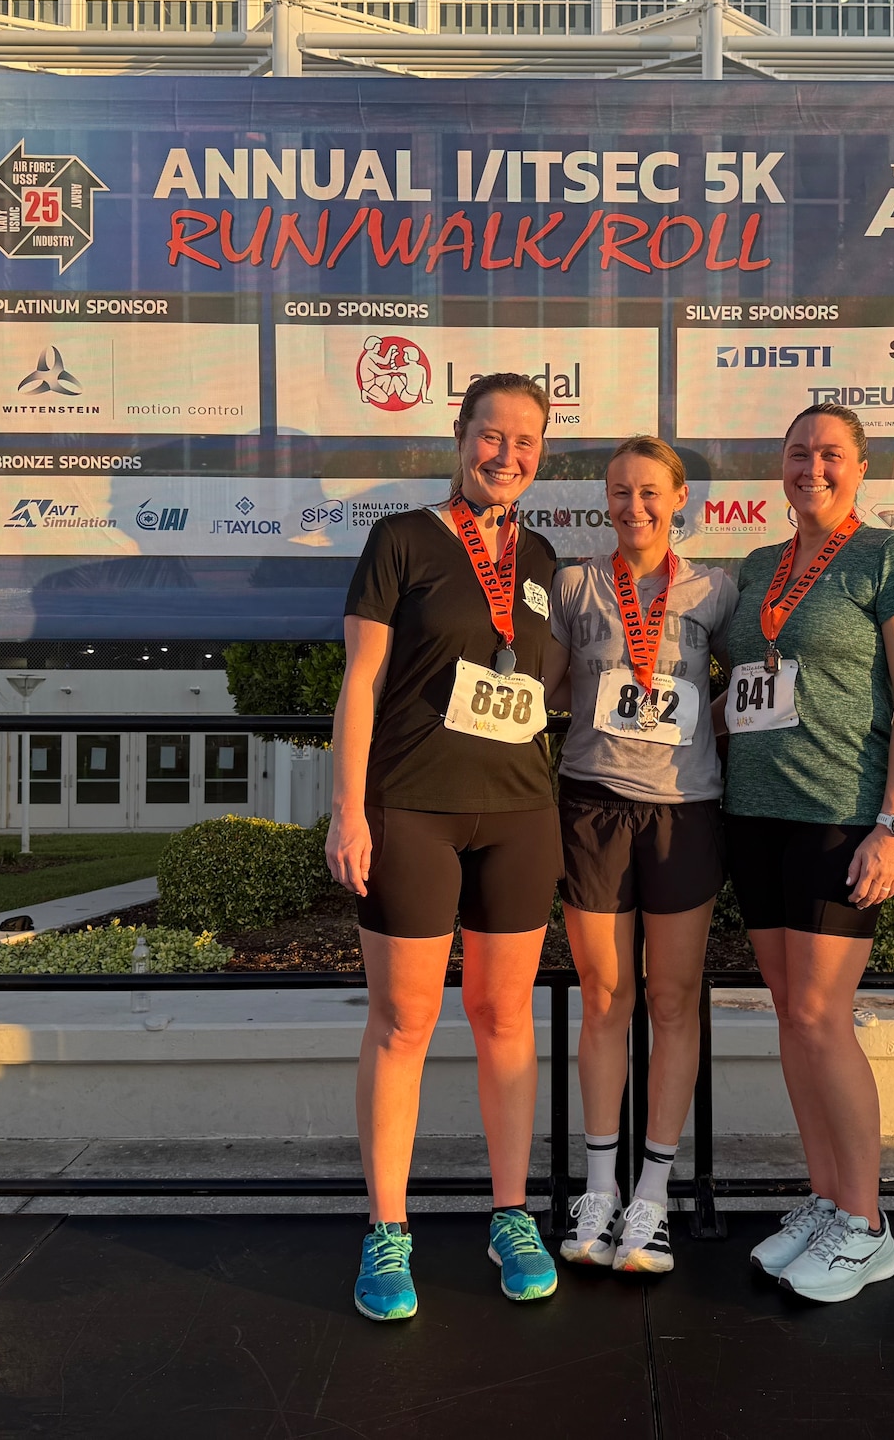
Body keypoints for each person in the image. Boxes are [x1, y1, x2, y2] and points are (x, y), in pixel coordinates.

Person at [327, 371, 563, 1322]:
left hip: (520, 815)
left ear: (542, 455)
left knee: (508, 1022)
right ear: (460, 436)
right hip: (412, 811)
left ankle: (511, 1214)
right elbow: (359, 683)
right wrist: (348, 811)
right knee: (403, 1024)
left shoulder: (544, 557)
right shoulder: (402, 539)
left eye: (526, 442)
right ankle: (388, 1232)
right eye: (490, 435)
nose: (505, 454)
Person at [721, 402, 894, 1304]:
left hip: (840, 818)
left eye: (832, 455)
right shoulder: (756, 566)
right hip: (753, 815)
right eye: (800, 453)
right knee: (788, 1015)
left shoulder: (889, 556)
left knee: (821, 1015)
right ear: (782, 466)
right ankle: (823, 1199)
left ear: (860, 467)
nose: (814, 467)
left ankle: (867, 1223)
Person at [538, 436, 737, 1276]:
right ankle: (600, 1190)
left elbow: (763, 675)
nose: (634, 507)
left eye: (650, 492)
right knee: (606, 996)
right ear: (604, 502)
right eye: (620, 492)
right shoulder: (575, 584)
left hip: (686, 810)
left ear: (679, 499)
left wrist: (711, 717)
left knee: (673, 996)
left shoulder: (716, 589)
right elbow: (545, 688)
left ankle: (653, 1195)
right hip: (592, 804)